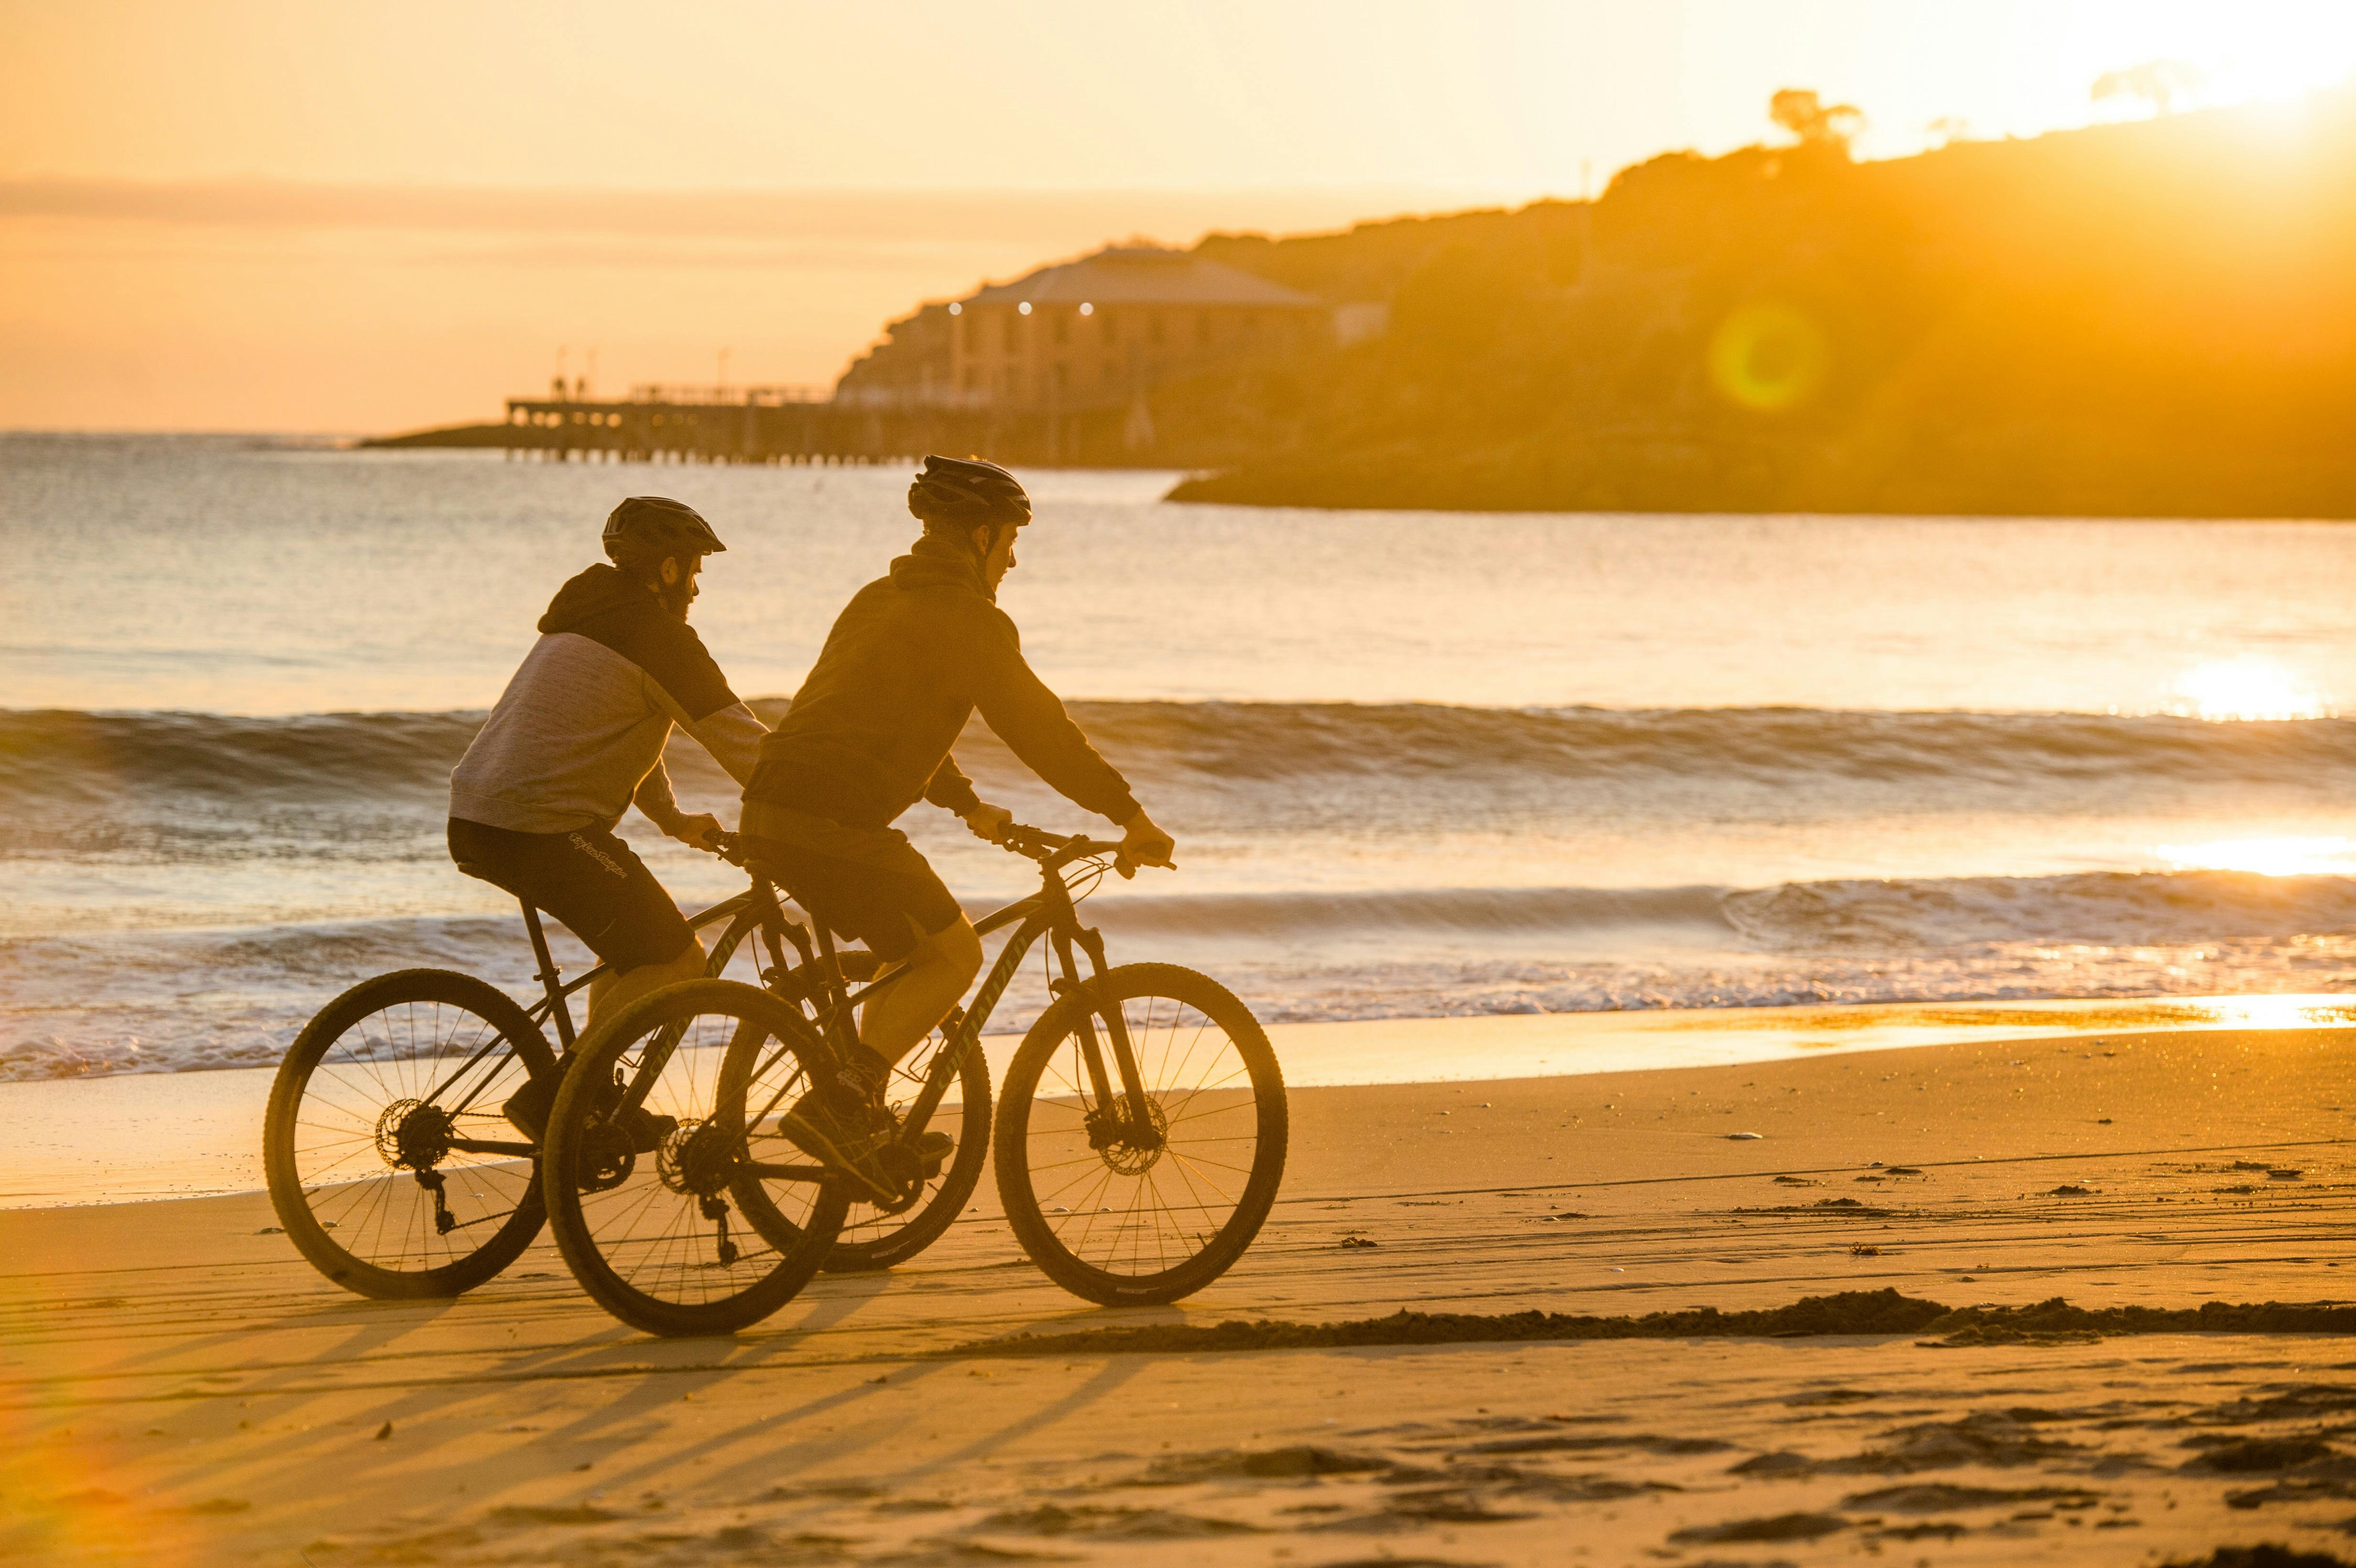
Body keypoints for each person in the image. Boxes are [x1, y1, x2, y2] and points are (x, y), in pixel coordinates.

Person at [739, 455, 1174, 1199]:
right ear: (981, 536)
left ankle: (861, 1112)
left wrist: (969, 806)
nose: (1014, 558)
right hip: (831, 823)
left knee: (905, 952)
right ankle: (841, 1104)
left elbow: (855, 717)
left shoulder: (878, 600)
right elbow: (1039, 729)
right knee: (957, 954)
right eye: (1009, 541)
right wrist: (1128, 814)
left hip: (769, 810)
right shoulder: (970, 619)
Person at [447, 495, 767, 1139]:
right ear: (669, 569)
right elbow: (739, 742)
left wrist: (673, 819)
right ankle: (559, 1099)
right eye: (696, 568)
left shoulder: (584, 619)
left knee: (634, 955)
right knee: (679, 962)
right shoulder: (661, 638)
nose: (700, 585)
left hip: (478, 820)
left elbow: (621, 727)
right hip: (543, 830)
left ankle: (592, 1101)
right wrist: (816, 806)